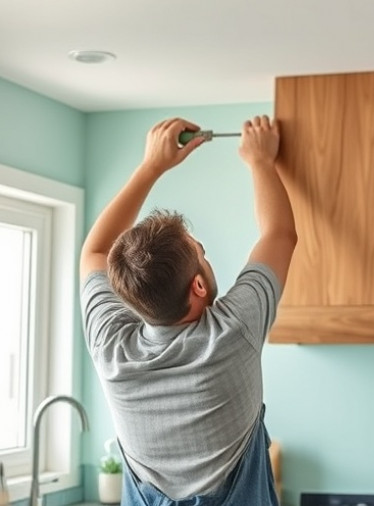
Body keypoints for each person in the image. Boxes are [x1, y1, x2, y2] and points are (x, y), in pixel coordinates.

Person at [79, 115, 296, 505]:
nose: (205, 256)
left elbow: (95, 251)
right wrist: (262, 161)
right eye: (202, 253)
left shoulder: (111, 350)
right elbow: (279, 234)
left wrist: (151, 166)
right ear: (198, 286)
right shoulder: (232, 333)